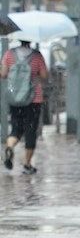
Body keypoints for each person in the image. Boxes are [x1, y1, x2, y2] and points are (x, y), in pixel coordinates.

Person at [2, 39, 50, 175]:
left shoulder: (9, 54)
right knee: (30, 130)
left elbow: (3, 74)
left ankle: (10, 147)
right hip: (33, 99)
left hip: (15, 99)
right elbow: (45, 75)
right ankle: (27, 164)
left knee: (16, 128)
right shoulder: (37, 56)